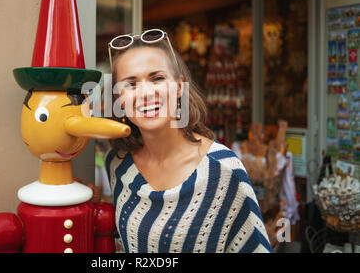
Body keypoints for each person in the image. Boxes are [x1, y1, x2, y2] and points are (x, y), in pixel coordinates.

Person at [103, 29, 272, 253]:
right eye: (131, 84)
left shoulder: (223, 170)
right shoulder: (118, 164)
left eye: (158, 78)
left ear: (180, 87)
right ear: (119, 99)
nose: (145, 93)